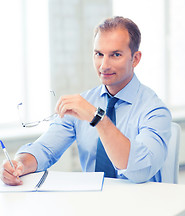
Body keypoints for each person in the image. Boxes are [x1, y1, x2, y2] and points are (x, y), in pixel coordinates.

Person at [0, 16, 171, 185]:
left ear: (135, 59)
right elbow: (45, 149)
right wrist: (20, 164)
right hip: (92, 204)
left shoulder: (154, 110)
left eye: (115, 55)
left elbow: (140, 169)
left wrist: (97, 118)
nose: (104, 65)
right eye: (99, 54)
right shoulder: (83, 103)